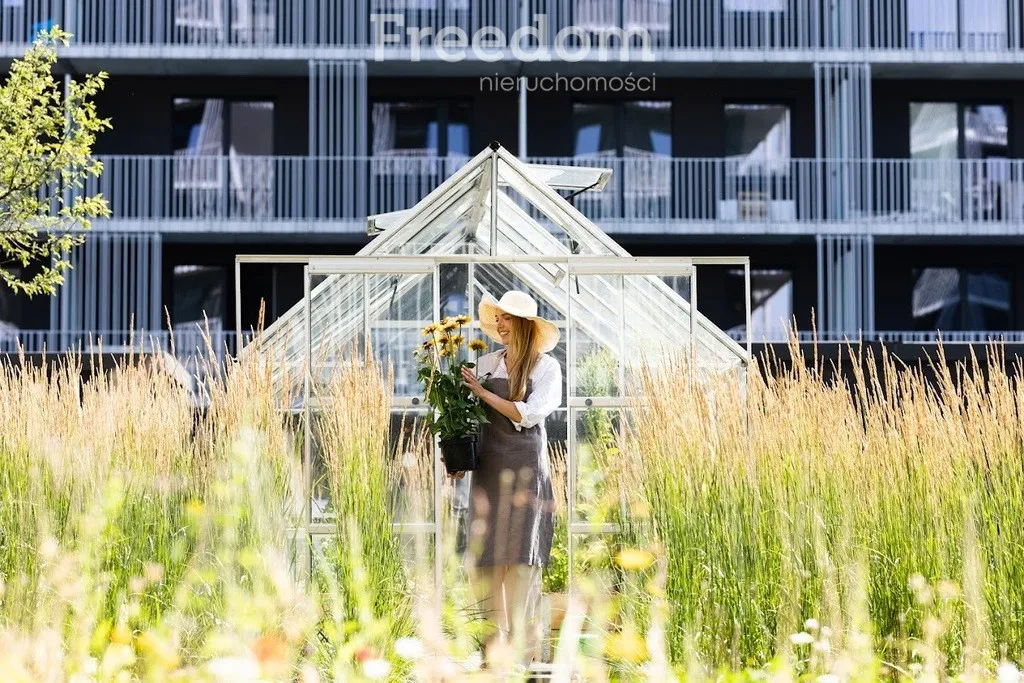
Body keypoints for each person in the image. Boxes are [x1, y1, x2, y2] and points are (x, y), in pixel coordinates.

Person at [458, 290, 562, 666]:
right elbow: (467, 419)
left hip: (525, 469)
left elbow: (529, 415)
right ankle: (491, 656)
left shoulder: (546, 368)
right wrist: (457, 457)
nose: (499, 325)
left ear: (524, 325)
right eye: (497, 318)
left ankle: (521, 656)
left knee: (520, 557)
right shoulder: (486, 362)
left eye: (506, 318)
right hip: (488, 468)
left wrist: (483, 393)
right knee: (486, 557)